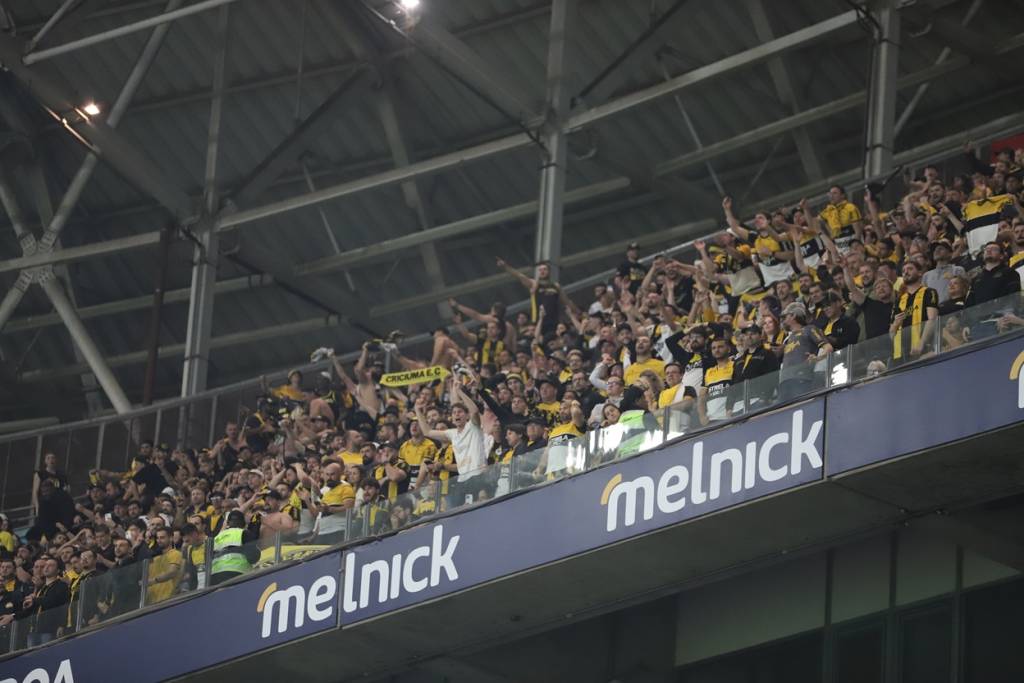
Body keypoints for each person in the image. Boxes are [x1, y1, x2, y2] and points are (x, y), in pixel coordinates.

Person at [778, 302, 833, 401]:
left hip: (802, 378)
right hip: (785, 381)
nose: (783, 320)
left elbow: (828, 347)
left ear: (793, 315)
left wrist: (818, 358)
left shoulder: (809, 329)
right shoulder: (788, 338)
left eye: (785, 317)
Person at [891, 261, 939, 362]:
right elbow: (891, 333)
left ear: (920, 273)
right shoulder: (899, 300)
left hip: (923, 350)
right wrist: (895, 325)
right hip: (900, 355)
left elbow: (932, 319)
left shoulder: (929, 292)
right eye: (903, 270)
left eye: (910, 269)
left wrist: (921, 343)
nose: (906, 272)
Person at [20, 556, 69, 646]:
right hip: (34, 630)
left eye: (51, 565)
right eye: (45, 565)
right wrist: (28, 606)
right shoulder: (41, 588)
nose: (46, 567)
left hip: (50, 629)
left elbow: (52, 601)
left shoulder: (61, 585)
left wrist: (35, 600)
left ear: (58, 570)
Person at [210, 511, 259, 586]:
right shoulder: (244, 533)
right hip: (237, 573)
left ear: (228, 523)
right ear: (243, 523)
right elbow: (253, 557)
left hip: (215, 575)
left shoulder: (216, 538)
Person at [145, 527, 182, 605]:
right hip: (152, 602)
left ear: (171, 538)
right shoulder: (155, 559)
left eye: (162, 538)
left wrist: (154, 580)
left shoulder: (175, 554)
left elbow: (172, 572)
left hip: (169, 600)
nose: (159, 540)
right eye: (157, 538)